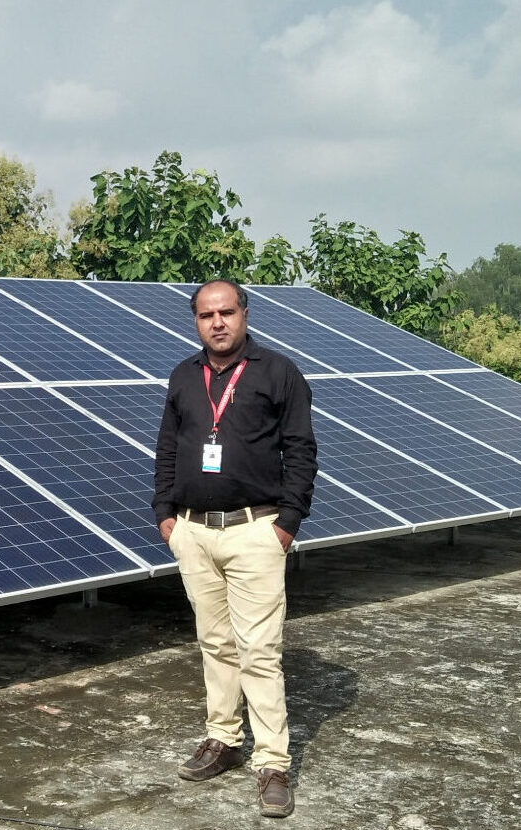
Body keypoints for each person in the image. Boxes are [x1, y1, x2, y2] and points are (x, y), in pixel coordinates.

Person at [153, 279, 317, 819]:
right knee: (215, 643)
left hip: (255, 531)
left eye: (226, 312)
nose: (217, 322)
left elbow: (300, 450)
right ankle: (223, 739)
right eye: (206, 315)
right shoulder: (183, 375)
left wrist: (287, 523)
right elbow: (168, 448)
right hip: (194, 532)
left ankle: (273, 764)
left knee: (259, 652)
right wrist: (166, 516)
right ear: (196, 322)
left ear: (244, 314)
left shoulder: (278, 373)